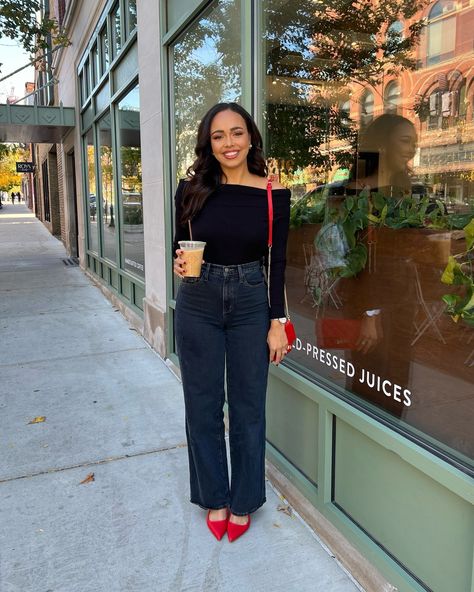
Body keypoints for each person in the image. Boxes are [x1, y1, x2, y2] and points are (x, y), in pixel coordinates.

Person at [173, 102, 291, 542]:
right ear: (208, 141)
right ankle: (215, 497)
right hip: (198, 300)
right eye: (218, 135)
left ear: (251, 138)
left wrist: (277, 321)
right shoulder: (190, 188)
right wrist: (179, 264)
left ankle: (243, 500)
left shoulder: (273, 194)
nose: (229, 143)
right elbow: (179, 250)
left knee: (247, 408)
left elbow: (277, 262)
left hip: (248, 301)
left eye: (236, 133)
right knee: (202, 406)